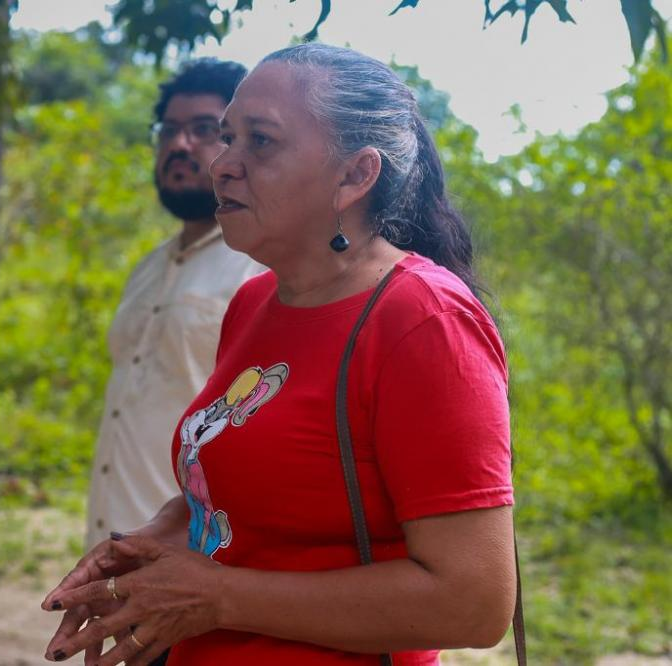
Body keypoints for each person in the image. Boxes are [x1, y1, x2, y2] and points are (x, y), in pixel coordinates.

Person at [43, 44, 517, 665]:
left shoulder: (422, 320)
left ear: (355, 176)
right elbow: (252, 489)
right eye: (227, 137)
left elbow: (474, 604)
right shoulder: (255, 303)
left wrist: (220, 597)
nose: (223, 164)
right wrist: (159, 533)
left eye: (259, 142)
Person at [84, 58, 263, 548]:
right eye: (169, 131)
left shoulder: (263, 269)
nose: (180, 145)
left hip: (198, 553)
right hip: (112, 534)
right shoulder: (147, 269)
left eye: (205, 130)